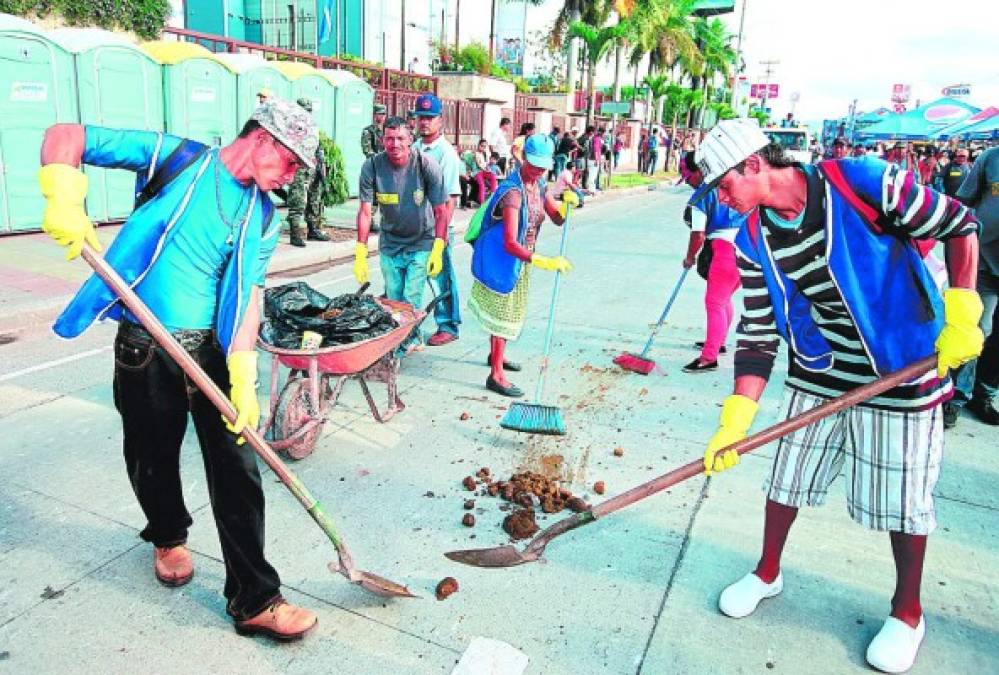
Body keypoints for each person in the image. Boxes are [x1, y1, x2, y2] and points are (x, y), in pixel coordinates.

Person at [696, 119, 981, 674]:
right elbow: (757, 334)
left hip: (903, 364)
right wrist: (736, 418)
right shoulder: (751, 237)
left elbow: (959, 222)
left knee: (905, 496)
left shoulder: (862, 181)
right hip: (820, 369)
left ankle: (907, 612)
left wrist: (965, 310)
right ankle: (767, 572)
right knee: (788, 478)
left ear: (753, 164)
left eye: (723, 186)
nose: (721, 199)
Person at [38, 98, 322, 640]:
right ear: (264, 139)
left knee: (239, 471)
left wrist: (244, 374)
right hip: (145, 344)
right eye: (291, 163)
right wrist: (63, 195)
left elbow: (248, 297)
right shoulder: (178, 158)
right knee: (152, 455)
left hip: (210, 351)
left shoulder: (261, 216)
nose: (291, 177)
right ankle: (168, 536)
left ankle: (255, 597)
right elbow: (65, 134)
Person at [468, 134, 577, 397]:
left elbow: (556, 218)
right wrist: (543, 261)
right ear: (524, 157)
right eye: (535, 164)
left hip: (521, 260)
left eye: (543, 166)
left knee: (507, 313)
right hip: (505, 261)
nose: (539, 170)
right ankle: (495, 374)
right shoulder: (513, 193)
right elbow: (509, 242)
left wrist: (567, 203)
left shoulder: (538, 184)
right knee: (503, 316)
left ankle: (497, 355)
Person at [354, 116, 449, 356]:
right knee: (394, 298)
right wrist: (360, 251)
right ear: (382, 140)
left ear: (410, 140)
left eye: (400, 138)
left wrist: (438, 247)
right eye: (389, 138)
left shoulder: (426, 166)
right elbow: (365, 211)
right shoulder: (372, 167)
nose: (394, 144)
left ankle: (401, 346)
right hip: (390, 244)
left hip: (421, 242)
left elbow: (441, 211)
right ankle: (410, 337)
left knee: (411, 296)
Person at [946, 145, 999, 426]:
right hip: (985, 264)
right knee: (975, 330)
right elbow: (964, 202)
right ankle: (954, 397)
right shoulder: (991, 158)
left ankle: (984, 395)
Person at [680, 151, 747, 372]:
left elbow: (697, 234)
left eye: (688, 176)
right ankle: (717, 343)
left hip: (724, 251)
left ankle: (709, 357)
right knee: (724, 299)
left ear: (699, 171)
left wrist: (690, 257)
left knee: (714, 303)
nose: (687, 181)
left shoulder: (702, 196)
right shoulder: (728, 185)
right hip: (744, 248)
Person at [412, 92, 464, 347]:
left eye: (429, 118)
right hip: (415, 227)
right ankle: (408, 325)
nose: (424, 122)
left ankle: (448, 325)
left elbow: (451, 198)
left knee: (440, 277)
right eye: (421, 117)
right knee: (413, 277)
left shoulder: (446, 154)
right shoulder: (414, 148)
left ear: (440, 120)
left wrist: (439, 238)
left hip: (438, 228)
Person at [284, 99, 331, 247]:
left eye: (309, 111)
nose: (307, 114)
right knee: (298, 201)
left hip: (314, 170)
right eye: (305, 111)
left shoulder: (313, 127)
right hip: (299, 170)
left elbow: (318, 148)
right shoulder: (292, 129)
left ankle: (313, 230)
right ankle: (295, 234)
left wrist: (322, 167)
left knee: (314, 201)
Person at [473, 138, 499, 205]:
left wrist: (488, 169)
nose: (483, 148)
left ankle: (492, 196)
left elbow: (487, 164)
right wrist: (486, 169)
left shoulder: (485, 154)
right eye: (482, 146)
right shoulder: (476, 153)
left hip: (484, 172)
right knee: (482, 185)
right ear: (478, 145)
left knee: (493, 176)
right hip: (478, 172)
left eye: (485, 146)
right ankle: (482, 202)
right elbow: (479, 165)